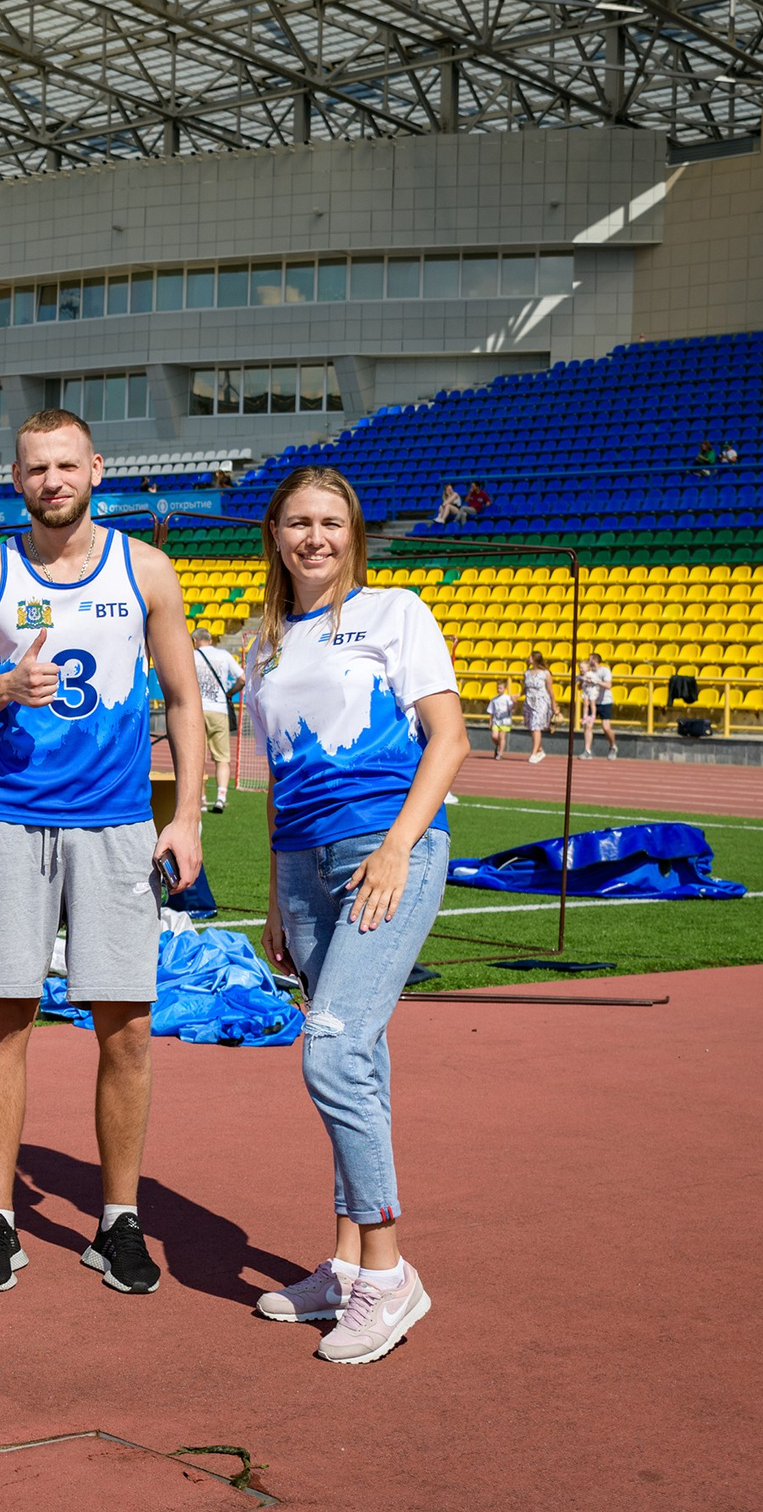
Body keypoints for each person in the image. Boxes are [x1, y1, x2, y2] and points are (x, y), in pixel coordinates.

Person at [0, 407, 208, 1297]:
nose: (52, 480)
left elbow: (183, 699)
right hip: (12, 820)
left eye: (66, 464)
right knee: (3, 1022)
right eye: (34, 468)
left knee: (125, 1030)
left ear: (97, 467)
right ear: (16, 479)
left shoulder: (147, 569)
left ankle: (118, 1219)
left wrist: (189, 815)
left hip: (119, 822)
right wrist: (4, 686)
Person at [244, 466, 467, 1365]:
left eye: (331, 522)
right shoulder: (261, 644)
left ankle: (388, 1269)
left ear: (354, 532)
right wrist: (272, 892)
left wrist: (398, 846)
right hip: (300, 866)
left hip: (386, 848)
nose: (315, 538)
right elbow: (277, 779)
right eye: (298, 522)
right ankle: (342, 1265)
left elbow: (448, 738)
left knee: (331, 1051)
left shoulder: (397, 613)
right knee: (360, 1059)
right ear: (276, 535)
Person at [191, 627, 241, 812]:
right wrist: (229, 694)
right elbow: (242, 678)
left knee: (197, 758)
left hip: (197, 710)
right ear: (210, 640)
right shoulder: (224, 655)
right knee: (222, 758)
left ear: (195, 641)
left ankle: (202, 800)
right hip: (219, 709)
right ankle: (220, 798)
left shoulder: (192, 656)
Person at [578, 650, 618, 758]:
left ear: (595, 660)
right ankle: (587, 750)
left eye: (590, 658)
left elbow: (608, 685)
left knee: (605, 727)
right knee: (588, 725)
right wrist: (582, 681)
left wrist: (596, 681)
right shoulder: (587, 672)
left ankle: (613, 746)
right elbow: (579, 687)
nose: (588, 660)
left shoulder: (604, 671)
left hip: (605, 701)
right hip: (592, 701)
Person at [521, 649, 558, 764]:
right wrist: (518, 695)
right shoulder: (527, 672)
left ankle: (534, 753)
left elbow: (550, 690)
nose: (528, 659)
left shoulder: (545, 673)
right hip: (529, 701)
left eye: (530, 657)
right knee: (531, 726)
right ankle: (540, 749)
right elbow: (525, 688)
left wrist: (554, 705)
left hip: (541, 701)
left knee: (536, 726)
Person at [486, 678, 515, 758]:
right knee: (494, 736)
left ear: (505, 689)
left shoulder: (507, 698)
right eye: (498, 688)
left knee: (502, 736)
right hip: (496, 720)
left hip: (505, 720)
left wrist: (515, 702)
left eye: (500, 688)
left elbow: (512, 707)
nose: (499, 690)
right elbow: (491, 711)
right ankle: (498, 746)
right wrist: (490, 721)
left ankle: (500, 753)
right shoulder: (494, 699)